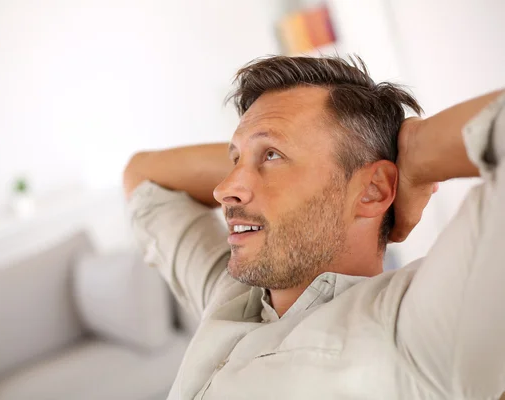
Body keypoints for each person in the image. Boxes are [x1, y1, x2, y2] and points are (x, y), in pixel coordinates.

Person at [123, 55, 505, 399]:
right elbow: (143, 177)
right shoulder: (230, 293)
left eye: (272, 155)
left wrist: (416, 153)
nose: (223, 190)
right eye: (234, 160)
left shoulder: (416, 332)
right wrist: (259, 154)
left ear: (373, 190)